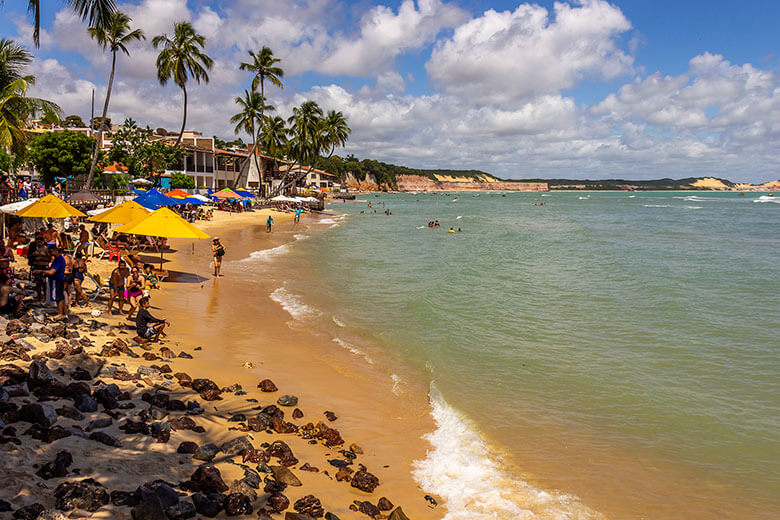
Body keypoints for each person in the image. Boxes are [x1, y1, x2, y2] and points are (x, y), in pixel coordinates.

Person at [37, 245, 67, 319]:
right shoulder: (59, 258)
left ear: (55, 250)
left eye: (50, 252)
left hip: (56, 280)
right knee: (61, 295)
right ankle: (63, 312)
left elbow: (51, 272)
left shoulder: (58, 260)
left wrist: (41, 271)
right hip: (60, 279)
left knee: (58, 296)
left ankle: (60, 313)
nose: (50, 254)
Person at [27, 234, 50, 302]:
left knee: (43, 283)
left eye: (40, 241)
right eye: (38, 241)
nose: (39, 242)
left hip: (43, 267)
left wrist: (40, 258)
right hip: (35, 266)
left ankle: (45, 296)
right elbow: (29, 256)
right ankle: (39, 296)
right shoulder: (33, 247)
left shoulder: (46, 248)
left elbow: (49, 259)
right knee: (37, 283)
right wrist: (33, 256)